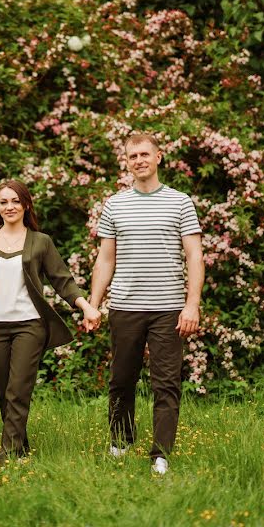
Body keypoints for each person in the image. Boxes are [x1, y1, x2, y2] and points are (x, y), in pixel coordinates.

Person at [0, 180, 101, 463]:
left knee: (18, 389)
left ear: (26, 204)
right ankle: (21, 447)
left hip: (30, 325)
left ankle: (9, 454)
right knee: (4, 392)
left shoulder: (41, 242)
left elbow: (63, 281)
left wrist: (87, 307)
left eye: (15, 201)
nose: (9, 206)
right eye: (3, 202)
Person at [89, 132, 204, 475]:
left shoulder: (180, 202)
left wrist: (192, 304)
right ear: (126, 162)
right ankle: (121, 442)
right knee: (121, 379)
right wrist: (94, 303)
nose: (138, 160)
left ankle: (161, 455)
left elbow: (195, 256)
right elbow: (105, 260)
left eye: (143, 154)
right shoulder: (115, 204)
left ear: (158, 157)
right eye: (131, 156)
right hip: (125, 307)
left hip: (168, 309)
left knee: (166, 383)